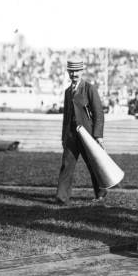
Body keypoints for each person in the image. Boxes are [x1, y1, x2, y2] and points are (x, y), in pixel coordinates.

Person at [55, 59, 107, 205]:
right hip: (71, 136)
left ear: (82, 71)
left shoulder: (89, 89)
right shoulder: (67, 92)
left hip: (88, 136)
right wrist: (64, 137)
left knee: (93, 165)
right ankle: (61, 197)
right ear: (68, 72)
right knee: (66, 165)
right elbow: (66, 116)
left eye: (77, 71)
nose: (74, 74)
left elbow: (99, 114)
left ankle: (101, 193)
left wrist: (98, 136)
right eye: (71, 71)